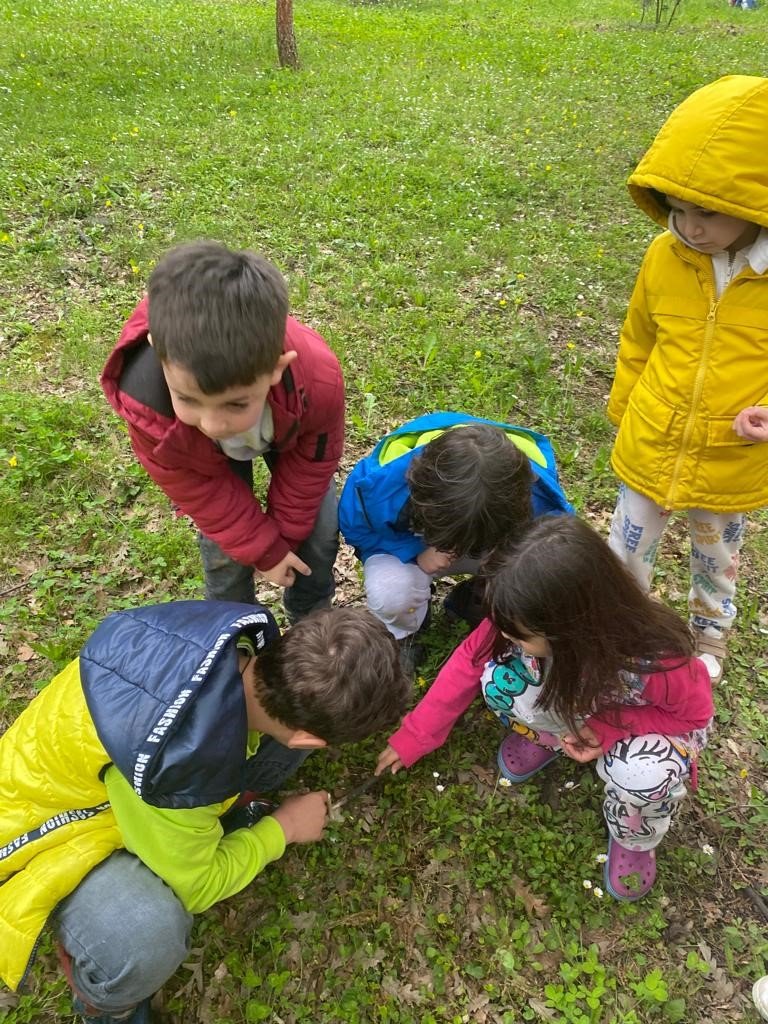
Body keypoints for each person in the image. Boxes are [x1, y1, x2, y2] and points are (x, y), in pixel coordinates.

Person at [0, 600, 409, 1023]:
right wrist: (282, 829)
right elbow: (198, 885)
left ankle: (190, 824)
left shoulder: (227, 639)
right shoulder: (180, 766)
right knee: (146, 932)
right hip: (44, 830)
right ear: (308, 738)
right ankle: (106, 1003)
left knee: (270, 754)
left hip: (67, 767)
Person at [376, 516, 714, 902]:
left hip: (642, 728)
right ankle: (552, 738)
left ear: (569, 627)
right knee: (498, 681)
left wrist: (609, 728)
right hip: (575, 699)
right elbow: (470, 660)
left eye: (518, 634)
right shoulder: (523, 611)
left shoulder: (656, 659)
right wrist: (418, 734)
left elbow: (693, 718)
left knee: (642, 773)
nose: (503, 635)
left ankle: (635, 835)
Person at [606, 75, 768, 686]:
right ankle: (620, 628)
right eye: (677, 207)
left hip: (731, 457)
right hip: (652, 439)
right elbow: (638, 338)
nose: (690, 226)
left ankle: (710, 635)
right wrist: (627, 410)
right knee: (625, 551)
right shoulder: (662, 257)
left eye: (709, 211)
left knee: (717, 557)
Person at [101, 241, 345, 623]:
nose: (213, 424)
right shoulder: (148, 409)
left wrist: (285, 537)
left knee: (318, 531)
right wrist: (263, 549)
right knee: (226, 553)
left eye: (235, 404)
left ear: (277, 369)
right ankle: (233, 630)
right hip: (201, 461)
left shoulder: (317, 380)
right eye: (189, 399)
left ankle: (311, 626)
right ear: (158, 353)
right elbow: (202, 492)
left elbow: (311, 462)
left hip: (288, 430)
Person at [338, 412, 573, 661]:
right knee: (391, 592)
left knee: (528, 573)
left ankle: (476, 596)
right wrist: (413, 551)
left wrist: (505, 562)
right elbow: (358, 529)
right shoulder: (384, 484)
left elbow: (554, 553)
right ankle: (404, 632)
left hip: (493, 545)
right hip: (421, 545)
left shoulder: (539, 499)